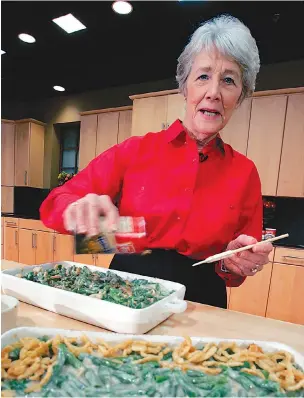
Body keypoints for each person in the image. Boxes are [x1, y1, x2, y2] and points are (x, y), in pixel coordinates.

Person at [40, 14, 273, 309]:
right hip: (125, 289)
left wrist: (236, 263)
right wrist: (80, 213)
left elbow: (233, 271)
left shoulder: (245, 172)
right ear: (185, 86)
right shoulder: (135, 150)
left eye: (229, 80)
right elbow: (57, 204)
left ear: (240, 96)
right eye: (203, 76)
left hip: (201, 300)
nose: (213, 92)